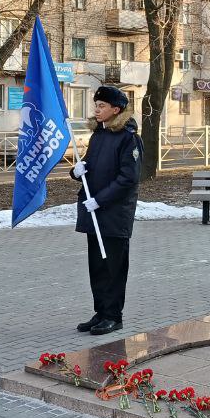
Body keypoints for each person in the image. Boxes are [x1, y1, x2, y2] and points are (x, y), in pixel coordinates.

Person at [71, 85, 141, 335]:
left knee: (113, 267)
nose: (97, 110)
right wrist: (76, 171)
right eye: (96, 105)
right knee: (97, 266)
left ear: (116, 109)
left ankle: (114, 316)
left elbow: (128, 179)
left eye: (102, 106)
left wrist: (100, 200)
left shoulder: (128, 137)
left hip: (114, 214)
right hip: (95, 213)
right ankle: (100, 312)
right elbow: (90, 166)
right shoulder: (99, 135)